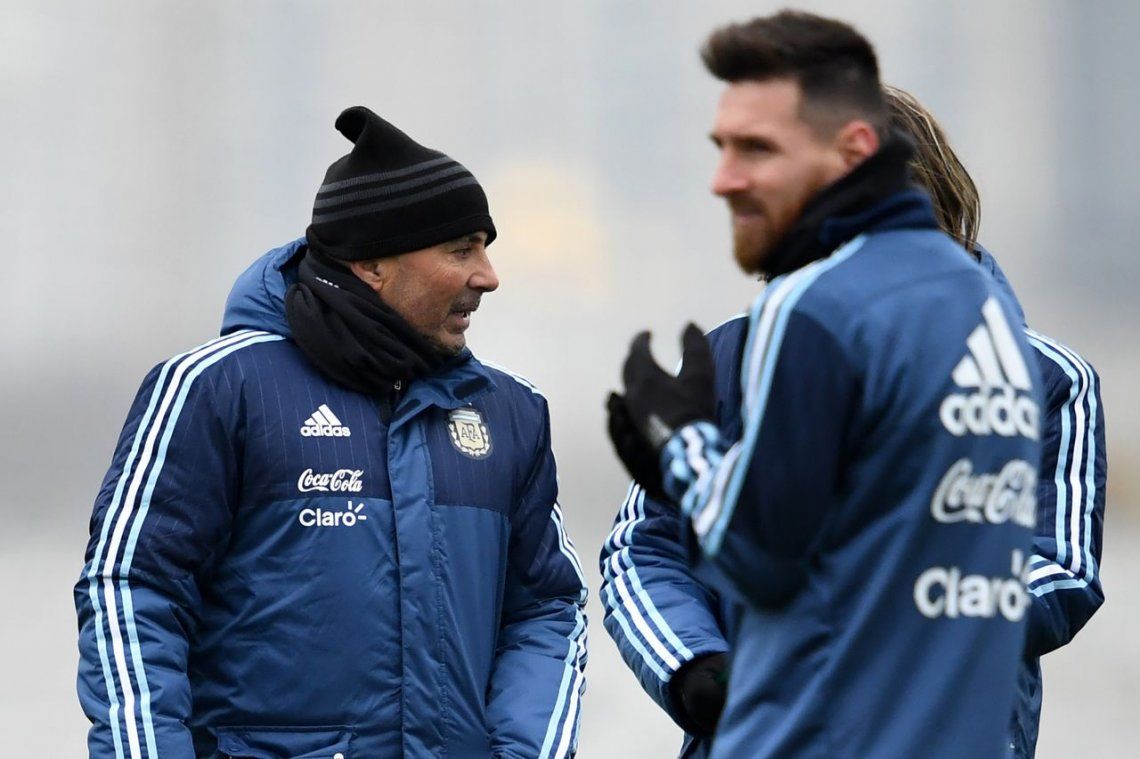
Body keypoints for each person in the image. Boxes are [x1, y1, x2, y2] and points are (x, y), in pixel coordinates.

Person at [601, 68, 1107, 759]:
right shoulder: (724, 362)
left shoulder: (1048, 379)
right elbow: (647, 545)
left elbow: (1059, 568)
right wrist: (699, 670)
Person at [75, 106, 588, 758]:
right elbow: (131, 590)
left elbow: (545, 607)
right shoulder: (216, 388)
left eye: (485, 248)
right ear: (372, 264)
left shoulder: (510, 411)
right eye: (461, 249)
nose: (488, 275)